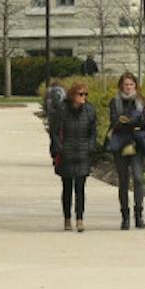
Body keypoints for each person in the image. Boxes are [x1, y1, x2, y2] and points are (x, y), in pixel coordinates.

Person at [106, 72, 145, 230]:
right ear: (121, 86)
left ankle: (138, 214)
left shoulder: (141, 102)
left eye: (131, 84)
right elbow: (115, 122)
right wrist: (133, 123)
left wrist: (127, 121)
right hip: (120, 144)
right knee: (123, 181)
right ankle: (125, 216)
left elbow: (144, 123)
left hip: (137, 145)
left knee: (138, 179)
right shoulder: (115, 102)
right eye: (126, 84)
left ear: (135, 86)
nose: (128, 87)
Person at [51, 81, 96, 232]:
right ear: (72, 95)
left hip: (83, 153)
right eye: (80, 94)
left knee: (80, 189)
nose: (83, 97)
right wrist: (60, 149)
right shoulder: (62, 110)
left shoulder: (89, 110)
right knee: (67, 188)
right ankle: (67, 218)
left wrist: (90, 146)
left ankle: (80, 219)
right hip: (67, 154)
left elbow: (93, 132)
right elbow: (55, 132)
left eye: (85, 94)